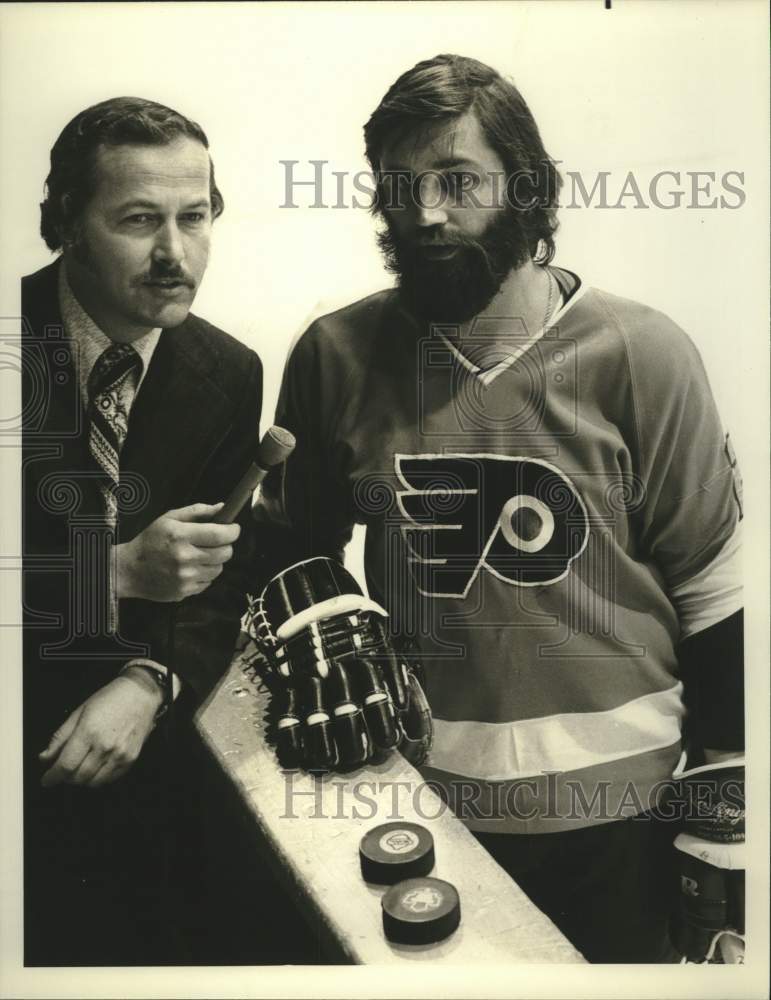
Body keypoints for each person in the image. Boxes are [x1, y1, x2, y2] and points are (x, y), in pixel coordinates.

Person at [253, 54, 744, 963]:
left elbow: (710, 582)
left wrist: (725, 785)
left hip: (625, 813)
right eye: (401, 187)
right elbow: (298, 554)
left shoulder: (642, 353)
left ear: (525, 186)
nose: (427, 213)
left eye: (457, 180)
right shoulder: (333, 355)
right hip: (421, 802)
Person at [22, 97, 263, 965]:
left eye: (193, 218)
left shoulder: (229, 372)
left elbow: (220, 577)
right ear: (66, 226)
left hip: (149, 763)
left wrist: (150, 677)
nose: (175, 254)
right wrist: (112, 571)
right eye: (137, 221)